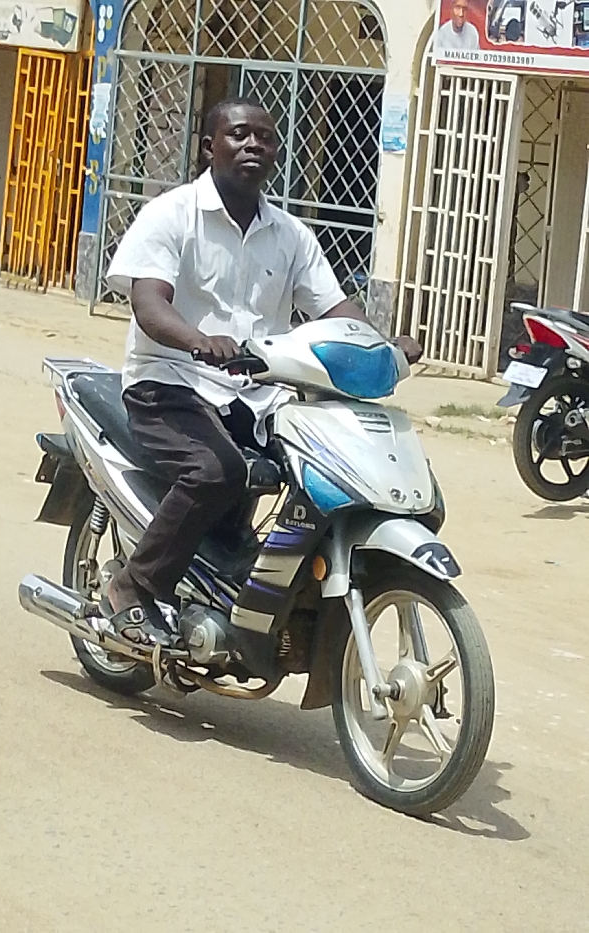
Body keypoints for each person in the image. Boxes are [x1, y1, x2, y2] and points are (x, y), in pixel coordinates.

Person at [105, 98, 421, 649]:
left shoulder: (290, 234)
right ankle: (134, 586)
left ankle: (261, 590)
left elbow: (333, 309)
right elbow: (149, 304)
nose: (253, 144)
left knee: (330, 470)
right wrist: (197, 340)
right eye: (239, 134)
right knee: (216, 471)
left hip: (256, 395)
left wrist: (380, 344)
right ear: (209, 147)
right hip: (171, 383)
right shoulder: (171, 214)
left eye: (265, 137)